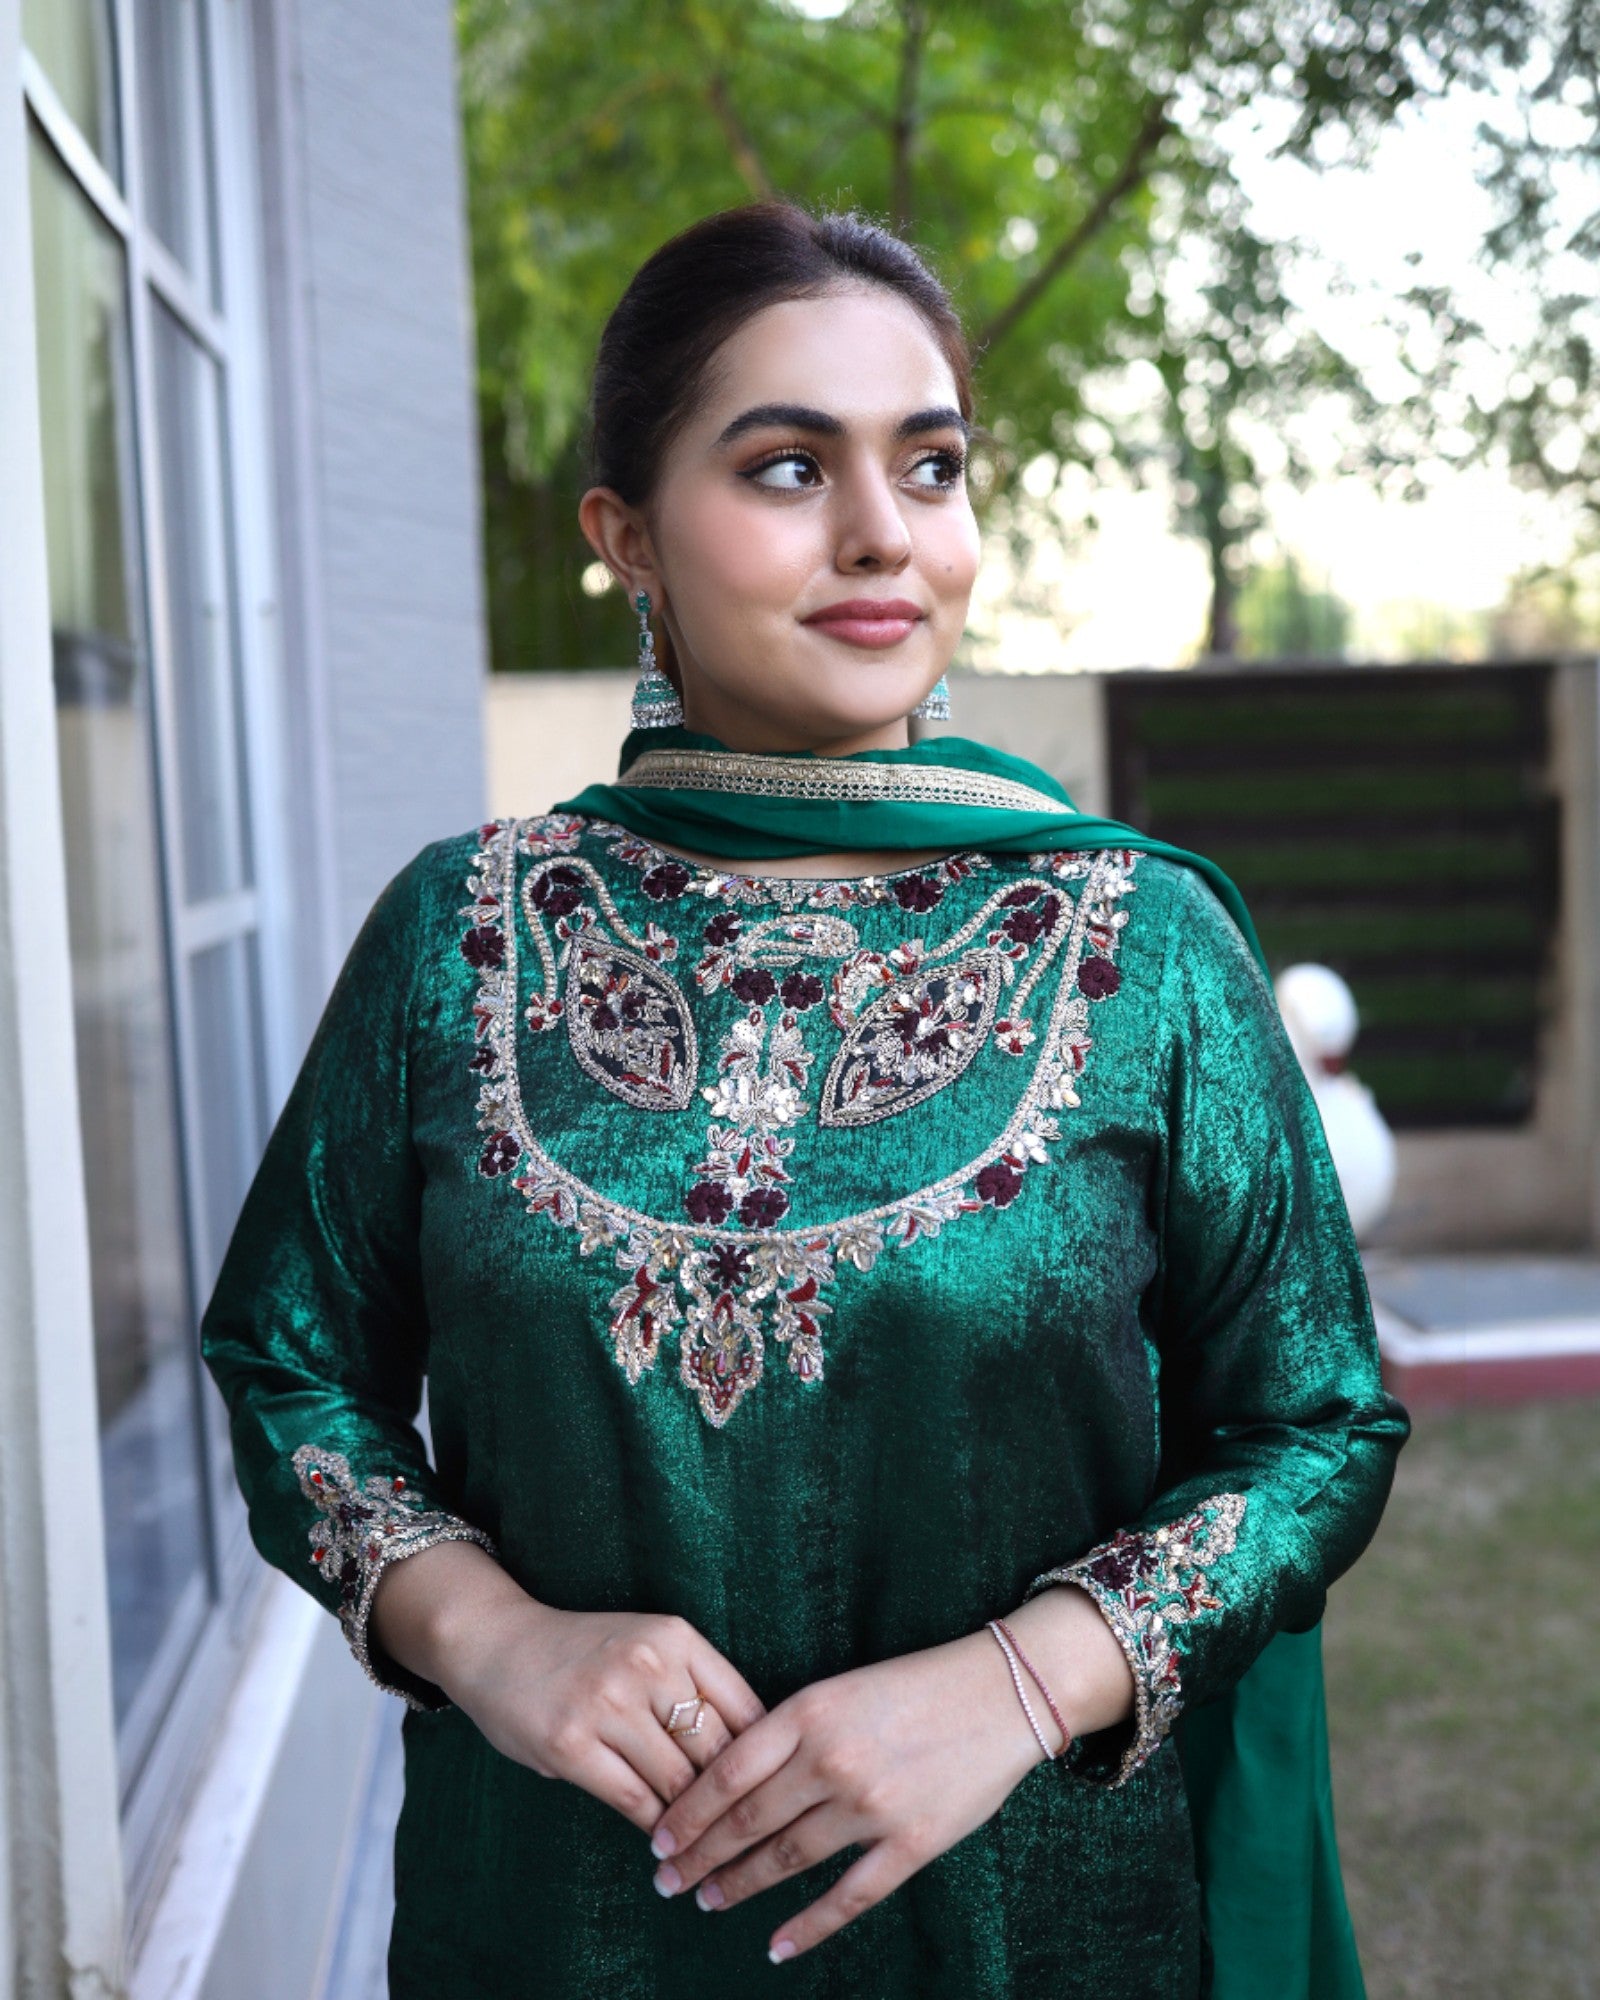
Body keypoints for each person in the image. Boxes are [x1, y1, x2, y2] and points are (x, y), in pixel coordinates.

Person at [201, 200, 1409, 1999]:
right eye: (786, 467)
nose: (881, 536)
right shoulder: (461, 932)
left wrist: (1011, 1685)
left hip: (1036, 1926)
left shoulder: (1143, 939)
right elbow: (290, 1360)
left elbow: (1314, 1427)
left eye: (930, 466)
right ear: (626, 539)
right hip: (557, 1923)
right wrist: (494, 1638)